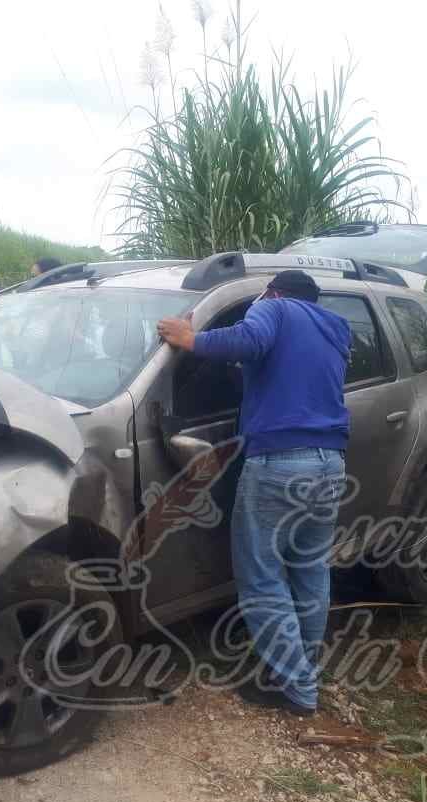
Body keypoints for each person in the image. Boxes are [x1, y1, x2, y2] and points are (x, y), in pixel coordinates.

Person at [156, 270, 350, 717]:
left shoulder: (274, 307)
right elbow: (283, 375)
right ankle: (305, 665)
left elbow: (248, 340)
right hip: (330, 462)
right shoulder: (335, 328)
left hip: (280, 462)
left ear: (276, 291)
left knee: (262, 577)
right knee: (310, 569)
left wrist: (191, 338)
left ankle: (298, 689)